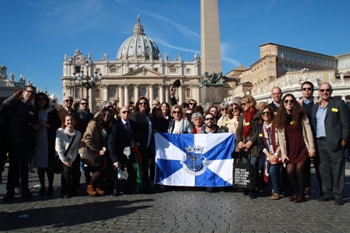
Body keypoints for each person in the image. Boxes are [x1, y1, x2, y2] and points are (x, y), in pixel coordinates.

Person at [311, 82, 350, 205]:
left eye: (327, 90)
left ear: (331, 91)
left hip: (335, 142)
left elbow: (346, 124)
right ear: (319, 92)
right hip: (320, 142)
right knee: (324, 169)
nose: (325, 92)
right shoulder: (316, 106)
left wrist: (344, 139)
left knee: (337, 169)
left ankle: (338, 194)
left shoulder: (339, 104)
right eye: (322, 90)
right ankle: (327, 192)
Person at [275, 94, 315, 203]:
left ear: (294, 103)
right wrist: (283, 153)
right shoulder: (280, 118)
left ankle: (301, 194)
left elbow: (308, 131)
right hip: (290, 149)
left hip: (302, 147)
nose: (289, 103)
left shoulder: (301, 115)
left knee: (299, 169)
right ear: (283, 104)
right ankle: (296, 192)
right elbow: (280, 137)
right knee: (290, 170)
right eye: (286, 101)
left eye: (291, 101)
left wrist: (311, 147)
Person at [3, 86, 38, 201]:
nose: (30, 95)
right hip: (14, 139)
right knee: (13, 166)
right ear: (23, 92)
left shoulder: (32, 108)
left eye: (33, 93)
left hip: (26, 141)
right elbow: (4, 106)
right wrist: (13, 98)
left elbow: (33, 123)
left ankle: (25, 189)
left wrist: (35, 127)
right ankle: (10, 190)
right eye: (29, 92)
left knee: (24, 167)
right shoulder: (15, 103)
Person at [81, 108, 113, 196]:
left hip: (99, 152)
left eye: (108, 115)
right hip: (90, 152)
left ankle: (97, 185)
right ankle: (90, 185)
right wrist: (97, 150)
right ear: (100, 115)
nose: (106, 117)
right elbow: (87, 139)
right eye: (104, 115)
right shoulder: (93, 124)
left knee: (107, 165)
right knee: (101, 167)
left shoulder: (105, 125)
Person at [34, 93, 61, 196]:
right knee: (40, 165)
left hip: (49, 140)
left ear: (46, 101)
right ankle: (42, 186)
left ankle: (50, 186)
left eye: (43, 99)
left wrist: (47, 125)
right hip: (38, 140)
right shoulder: (34, 111)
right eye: (39, 99)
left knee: (50, 165)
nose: (41, 101)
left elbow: (57, 124)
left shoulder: (52, 111)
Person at [109, 106, 140, 195]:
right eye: (124, 112)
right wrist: (115, 159)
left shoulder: (133, 124)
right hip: (118, 152)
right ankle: (116, 188)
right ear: (120, 114)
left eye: (128, 112)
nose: (126, 114)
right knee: (117, 169)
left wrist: (135, 142)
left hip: (129, 152)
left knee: (134, 169)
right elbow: (111, 143)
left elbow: (137, 137)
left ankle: (127, 187)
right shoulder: (116, 125)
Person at [298, 81, 321, 198]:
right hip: (305, 137)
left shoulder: (319, 103)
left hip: (318, 136)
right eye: (305, 89)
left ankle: (324, 189)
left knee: (320, 166)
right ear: (302, 91)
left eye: (309, 89)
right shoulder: (298, 105)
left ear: (312, 90)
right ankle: (306, 189)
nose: (307, 91)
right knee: (305, 166)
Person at [235, 95, 260, 199]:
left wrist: (251, 141)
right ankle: (248, 186)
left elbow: (259, 131)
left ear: (251, 103)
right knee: (246, 166)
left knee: (253, 166)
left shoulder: (258, 114)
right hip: (244, 143)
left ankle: (252, 189)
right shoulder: (242, 116)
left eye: (244, 104)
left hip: (254, 145)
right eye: (241, 104)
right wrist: (239, 141)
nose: (242, 106)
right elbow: (239, 130)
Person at [257, 103, 282, 200]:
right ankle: (270, 186)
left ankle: (276, 191)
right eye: (263, 113)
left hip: (278, 152)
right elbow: (261, 143)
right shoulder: (260, 128)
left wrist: (275, 155)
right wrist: (269, 156)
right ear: (261, 115)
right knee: (264, 167)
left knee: (272, 169)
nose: (266, 115)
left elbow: (281, 141)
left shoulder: (277, 125)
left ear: (271, 114)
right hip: (267, 154)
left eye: (268, 113)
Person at [55, 114, 82, 198]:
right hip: (61, 155)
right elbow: (58, 147)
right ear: (65, 122)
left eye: (72, 120)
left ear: (74, 122)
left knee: (76, 171)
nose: (70, 122)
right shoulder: (60, 131)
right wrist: (65, 160)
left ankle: (74, 189)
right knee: (66, 172)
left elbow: (75, 148)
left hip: (71, 155)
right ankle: (65, 191)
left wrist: (71, 160)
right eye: (68, 120)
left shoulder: (78, 134)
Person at [130, 97, 153, 193]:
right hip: (140, 145)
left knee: (145, 164)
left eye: (145, 103)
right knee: (142, 165)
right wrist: (136, 141)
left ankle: (145, 184)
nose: (143, 105)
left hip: (147, 144)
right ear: (138, 105)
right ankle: (143, 186)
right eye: (141, 103)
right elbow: (134, 129)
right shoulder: (136, 115)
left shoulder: (148, 116)